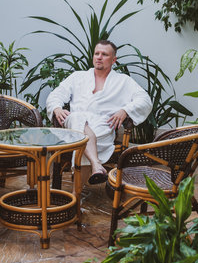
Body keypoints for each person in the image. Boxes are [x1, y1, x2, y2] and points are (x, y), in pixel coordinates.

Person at [46, 40, 153, 185]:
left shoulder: (123, 81)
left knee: (85, 141)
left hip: (102, 126)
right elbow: (56, 94)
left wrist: (125, 110)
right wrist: (56, 108)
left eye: (104, 54)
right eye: (97, 53)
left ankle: (76, 197)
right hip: (74, 124)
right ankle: (96, 164)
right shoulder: (78, 77)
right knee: (77, 118)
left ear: (113, 60)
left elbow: (145, 100)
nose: (99, 57)